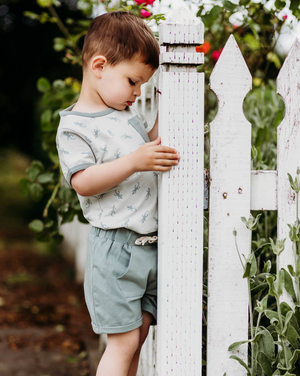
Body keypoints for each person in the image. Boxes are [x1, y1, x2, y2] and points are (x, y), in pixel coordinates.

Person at [56, 10, 180, 376]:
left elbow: (150, 146)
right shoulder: (75, 127)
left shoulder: (124, 117)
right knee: (122, 341)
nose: (137, 92)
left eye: (142, 85)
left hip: (148, 246)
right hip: (114, 250)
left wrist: (167, 105)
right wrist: (134, 162)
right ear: (99, 65)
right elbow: (83, 181)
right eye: (132, 81)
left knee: (137, 335)